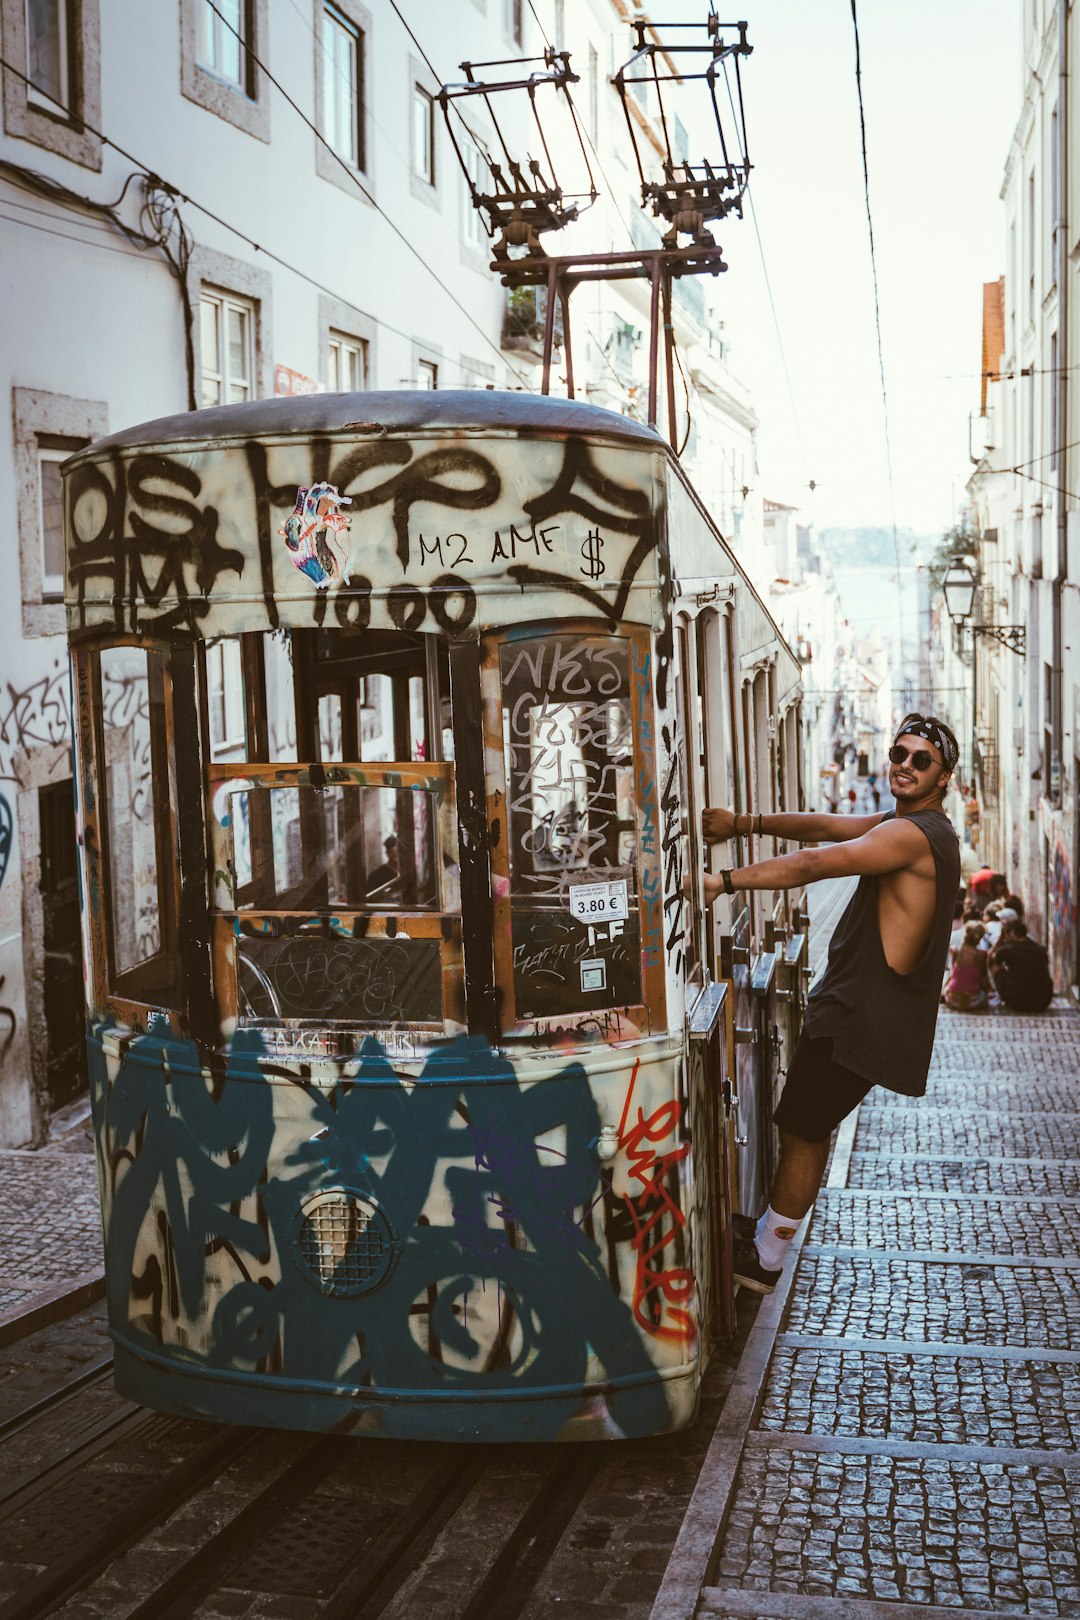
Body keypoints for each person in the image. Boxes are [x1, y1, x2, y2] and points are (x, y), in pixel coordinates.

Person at [701, 712, 961, 1292]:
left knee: (802, 1128)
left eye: (923, 761)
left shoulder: (911, 835)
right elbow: (825, 826)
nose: (905, 766)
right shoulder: (911, 825)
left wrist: (724, 882)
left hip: (859, 1018)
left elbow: (816, 862)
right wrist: (744, 822)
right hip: (859, 1015)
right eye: (900, 754)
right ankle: (767, 1239)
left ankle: (765, 1258)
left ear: (944, 777)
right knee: (806, 1126)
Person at [988, 919, 1054, 1013]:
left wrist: (1000, 940)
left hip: (1017, 1001)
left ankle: (1002, 995)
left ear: (1013, 933)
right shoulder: (1041, 950)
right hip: (1043, 1001)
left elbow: (989, 959)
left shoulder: (1006, 951)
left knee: (996, 966)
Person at [942, 922, 991, 1010]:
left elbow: (953, 971)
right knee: (984, 996)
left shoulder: (955, 951)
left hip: (952, 998)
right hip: (973, 1000)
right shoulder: (982, 954)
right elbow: (984, 976)